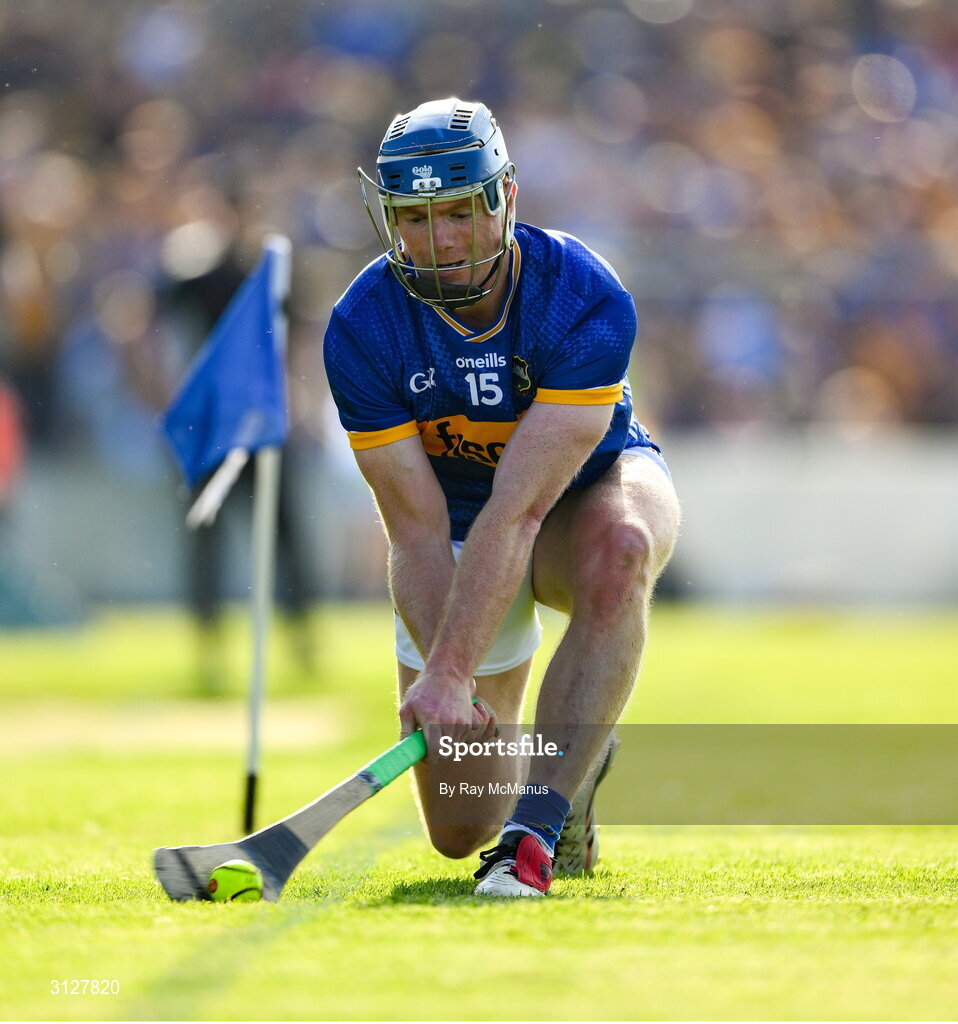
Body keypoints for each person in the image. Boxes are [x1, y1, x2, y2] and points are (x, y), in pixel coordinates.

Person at [323, 97, 680, 897]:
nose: (440, 241)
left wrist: (453, 669)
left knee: (621, 552)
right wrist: (450, 679)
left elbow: (520, 510)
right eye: (414, 218)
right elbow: (415, 533)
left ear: (505, 198)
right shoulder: (362, 327)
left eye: (459, 212)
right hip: (451, 527)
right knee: (459, 827)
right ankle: (573, 755)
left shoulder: (581, 296)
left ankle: (537, 830)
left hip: (578, 500)